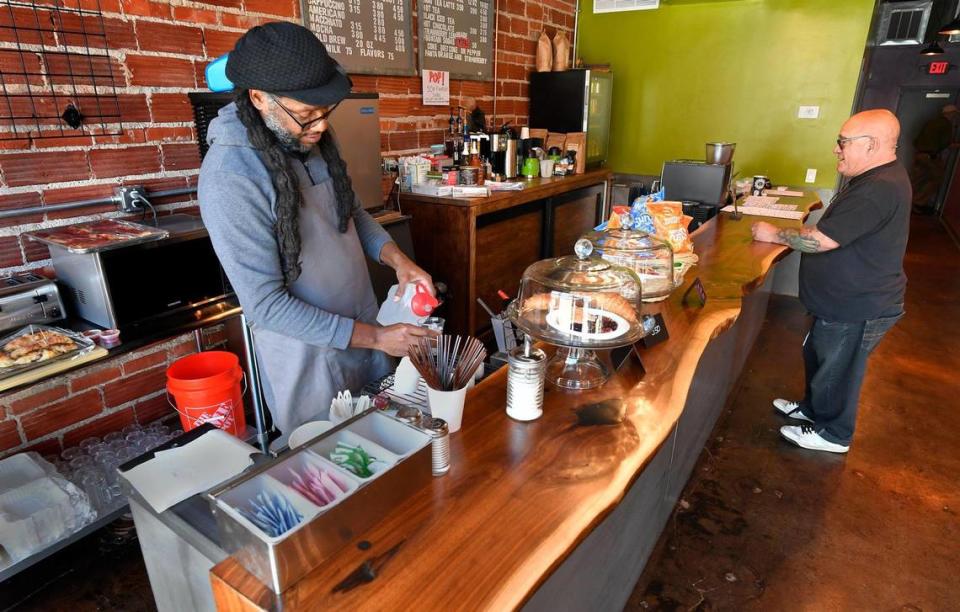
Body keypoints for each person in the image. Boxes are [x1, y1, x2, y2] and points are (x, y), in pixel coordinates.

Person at [198, 22, 436, 434]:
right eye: (307, 114)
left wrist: (399, 261)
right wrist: (378, 339)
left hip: (366, 327)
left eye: (325, 112)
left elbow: (351, 212)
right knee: (334, 466)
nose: (321, 126)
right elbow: (266, 305)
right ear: (258, 98)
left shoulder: (309, 138)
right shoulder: (231, 177)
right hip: (309, 358)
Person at [750, 109, 910, 454]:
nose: (837, 149)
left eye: (843, 142)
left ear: (872, 145)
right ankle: (811, 409)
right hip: (841, 300)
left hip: (859, 303)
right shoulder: (874, 179)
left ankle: (834, 434)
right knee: (820, 355)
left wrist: (773, 233)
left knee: (839, 370)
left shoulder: (878, 189)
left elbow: (822, 240)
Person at [910, 104, 959, 214]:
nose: (955, 117)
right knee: (937, 179)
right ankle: (918, 203)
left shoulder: (932, 122)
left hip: (919, 154)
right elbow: (946, 144)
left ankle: (910, 202)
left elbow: (917, 140)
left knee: (917, 180)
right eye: (955, 114)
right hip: (930, 157)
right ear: (950, 114)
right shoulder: (946, 125)